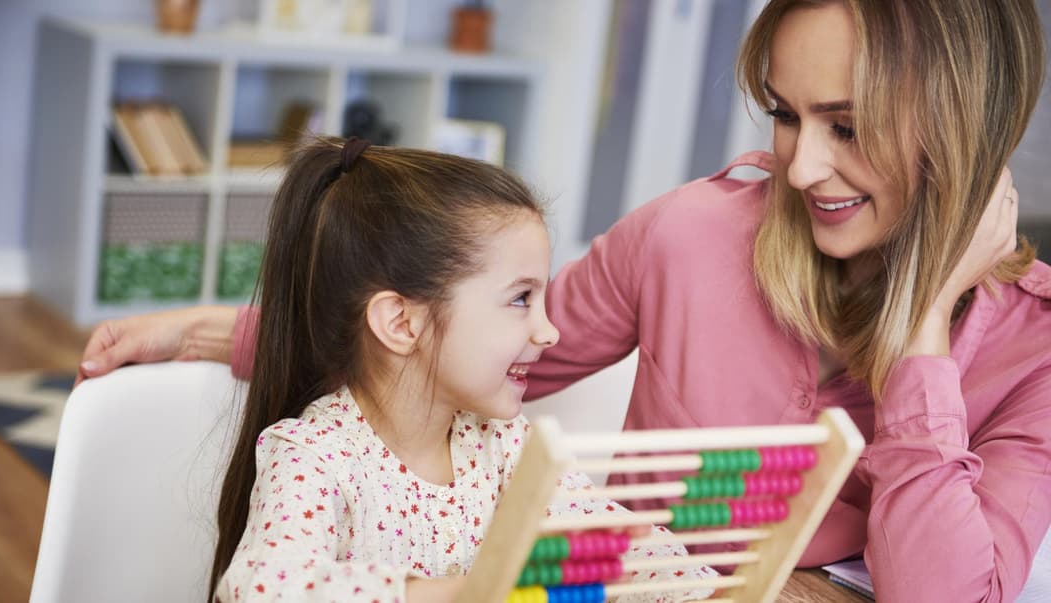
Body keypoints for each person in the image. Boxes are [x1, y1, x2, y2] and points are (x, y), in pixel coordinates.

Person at [77, 1, 1051, 601]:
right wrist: (217, 331)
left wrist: (921, 329)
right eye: (785, 115)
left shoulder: (1034, 344)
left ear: (965, 121)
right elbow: (474, 348)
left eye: (846, 125)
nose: (800, 167)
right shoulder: (688, 234)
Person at [204, 137, 709, 602]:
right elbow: (264, 586)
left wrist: (697, 587)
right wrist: (462, 593)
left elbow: (605, 539)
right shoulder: (316, 458)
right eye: (520, 299)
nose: (549, 331)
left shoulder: (504, 443)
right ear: (402, 322)